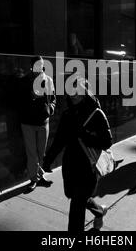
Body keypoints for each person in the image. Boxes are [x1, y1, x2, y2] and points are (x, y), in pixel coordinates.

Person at [43, 78, 112, 232]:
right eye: (71, 91)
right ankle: (99, 211)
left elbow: (107, 141)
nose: (73, 95)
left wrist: (86, 136)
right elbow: (59, 140)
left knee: (76, 206)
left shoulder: (96, 113)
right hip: (70, 165)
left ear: (85, 92)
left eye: (77, 91)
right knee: (78, 199)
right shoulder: (68, 114)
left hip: (88, 167)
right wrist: (47, 161)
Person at [18, 56, 57, 191]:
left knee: (41, 152)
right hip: (28, 122)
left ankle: (39, 176)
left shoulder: (48, 80)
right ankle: (34, 178)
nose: (39, 67)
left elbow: (53, 99)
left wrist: (49, 109)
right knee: (32, 153)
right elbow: (18, 101)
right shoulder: (24, 81)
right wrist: (32, 97)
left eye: (41, 64)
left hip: (43, 121)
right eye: (37, 65)